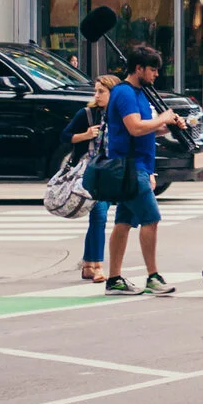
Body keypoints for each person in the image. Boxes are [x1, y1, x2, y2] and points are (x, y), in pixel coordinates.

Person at [100, 47, 179, 296]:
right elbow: (135, 127)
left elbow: (146, 129)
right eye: (152, 70)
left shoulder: (139, 93)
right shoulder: (124, 93)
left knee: (123, 222)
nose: (156, 74)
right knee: (151, 219)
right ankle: (153, 277)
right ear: (138, 69)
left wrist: (169, 126)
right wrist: (163, 118)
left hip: (138, 167)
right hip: (130, 168)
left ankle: (114, 279)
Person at [63, 73, 120, 282]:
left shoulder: (120, 115)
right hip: (90, 171)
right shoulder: (87, 114)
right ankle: (98, 266)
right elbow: (64, 136)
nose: (96, 95)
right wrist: (85, 135)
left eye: (101, 92)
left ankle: (88, 265)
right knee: (99, 215)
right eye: (96, 91)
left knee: (97, 218)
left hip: (110, 171)